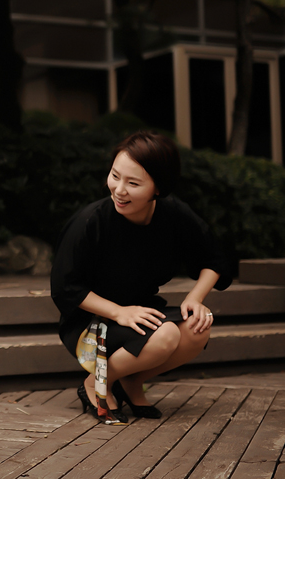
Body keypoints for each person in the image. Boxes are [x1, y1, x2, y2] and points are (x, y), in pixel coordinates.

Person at [51, 131, 233, 424]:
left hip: (141, 313)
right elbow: (65, 288)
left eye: (133, 183)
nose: (119, 190)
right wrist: (119, 312)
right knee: (166, 334)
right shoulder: (90, 222)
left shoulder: (174, 214)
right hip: (91, 322)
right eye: (115, 176)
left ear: (158, 188)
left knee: (198, 328)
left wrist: (195, 298)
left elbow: (214, 258)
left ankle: (130, 382)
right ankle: (96, 382)